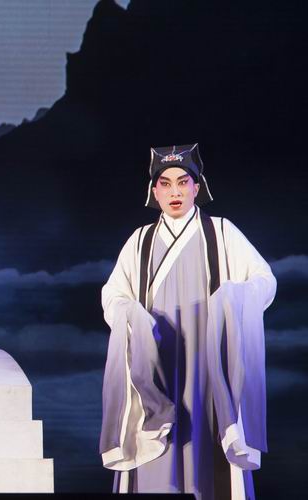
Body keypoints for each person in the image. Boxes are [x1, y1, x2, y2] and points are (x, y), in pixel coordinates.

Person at [99, 144, 276, 500]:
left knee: (208, 455)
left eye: (183, 182)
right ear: (155, 192)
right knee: (156, 460)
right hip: (156, 366)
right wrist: (129, 314)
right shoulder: (140, 242)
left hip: (209, 365)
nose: (175, 192)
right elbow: (112, 295)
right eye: (165, 184)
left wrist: (232, 297)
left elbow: (264, 280)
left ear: (198, 187)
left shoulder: (222, 233)